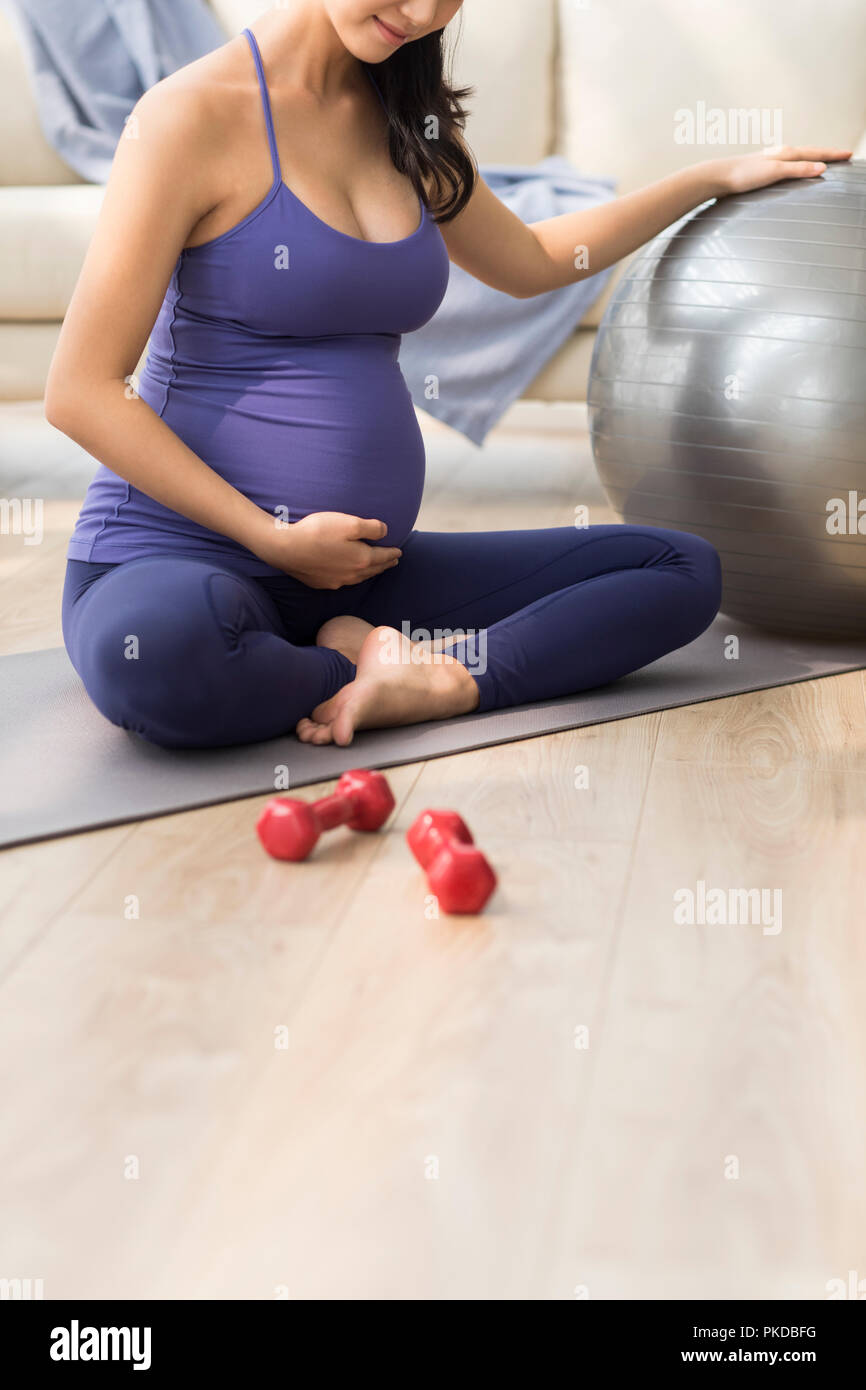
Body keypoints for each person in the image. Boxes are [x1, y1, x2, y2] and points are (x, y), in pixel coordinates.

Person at [47, 1, 851, 749]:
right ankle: (355, 665)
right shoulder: (189, 116)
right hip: (182, 556)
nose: (427, 13)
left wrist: (703, 182)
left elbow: (533, 261)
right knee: (158, 656)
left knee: (680, 571)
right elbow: (80, 389)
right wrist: (270, 539)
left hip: (366, 573)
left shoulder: (406, 113)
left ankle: (439, 684)